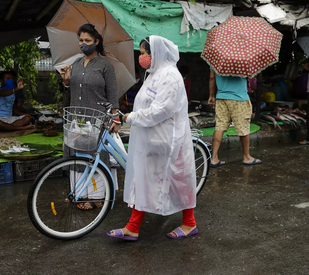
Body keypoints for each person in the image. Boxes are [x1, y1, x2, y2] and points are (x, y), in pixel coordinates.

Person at [107, 36, 197, 241]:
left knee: (178, 180)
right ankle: (133, 226)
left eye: (145, 53)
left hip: (169, 139)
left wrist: (131, 117)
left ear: (156, 53)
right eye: (141, 53)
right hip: (151, 137)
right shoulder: (154, 74)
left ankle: (190, 223)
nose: (142, 57)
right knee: (143, 179)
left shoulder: (170, 76)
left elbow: (161, 110)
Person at [59, 23, 120, 210]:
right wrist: (66, 80)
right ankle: (78, 192)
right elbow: (70, 91)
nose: (83, 44)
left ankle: (96, 197)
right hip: (76, 119)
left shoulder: (105, 66)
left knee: (95, 158)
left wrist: (115, 117)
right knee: (76, 157)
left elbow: (112, 94)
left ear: (96, 42)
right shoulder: (76, 64)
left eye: (87, 40)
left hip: (97, 119)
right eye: (81, 40)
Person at [208, 68, 262, 167]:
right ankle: (247, 157)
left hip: (221, 97)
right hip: (239, 98)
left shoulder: (216, 57)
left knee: (219, 126)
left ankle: (214, 158)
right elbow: (250, 76)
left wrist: (211, 95)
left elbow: (212, 77)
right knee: (243, 127)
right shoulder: (242, 57)